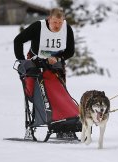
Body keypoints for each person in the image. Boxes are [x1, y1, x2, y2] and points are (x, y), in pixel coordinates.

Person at [14, 8, 78, 140]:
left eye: (60, 22)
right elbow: (18, 40)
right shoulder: (38, 27)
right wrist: (22, 61)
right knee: (33, 93)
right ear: (49, 19)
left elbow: (70, 51)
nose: (57, 26)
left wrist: (59, 59)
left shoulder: (67, 29)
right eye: (55, 22)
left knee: (58, 94)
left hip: (55, 64)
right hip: (35, 63)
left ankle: (63, 125)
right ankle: (37, 123)